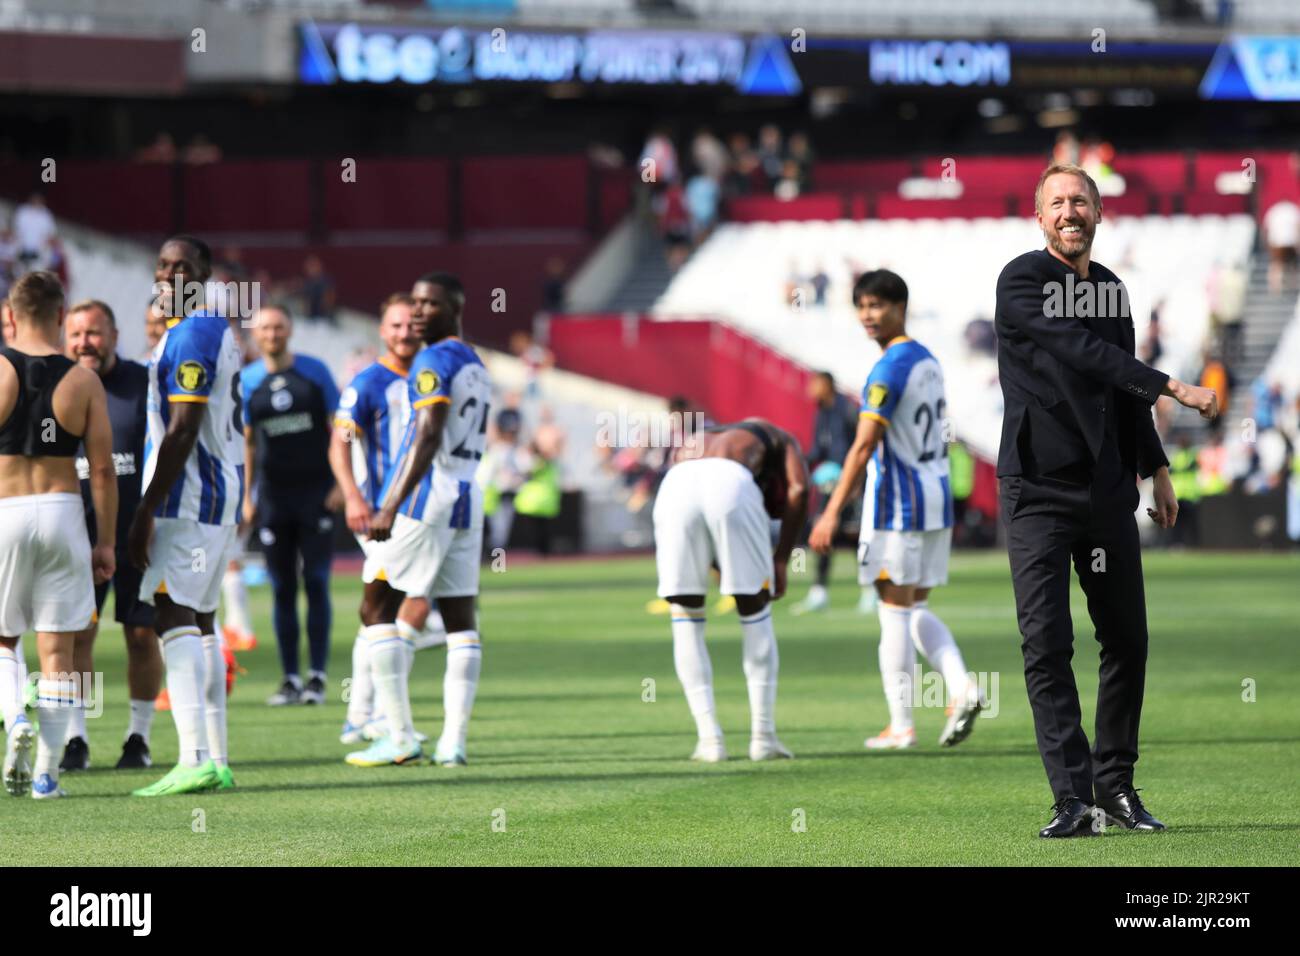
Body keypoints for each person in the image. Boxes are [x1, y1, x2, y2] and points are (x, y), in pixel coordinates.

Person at [994, 164, 1217, 837]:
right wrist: (1172, 385)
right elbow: (1081, 351)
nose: (1070, 210)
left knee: (1127, 640)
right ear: (1040, 217)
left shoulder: (1112, 290)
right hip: (1035, 490)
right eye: (1058, 201)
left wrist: (1157, 467)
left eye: (1081, 201)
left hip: (1105, 490)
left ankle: (1113, 785)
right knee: (1047, 645)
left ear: (1098, 212)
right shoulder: (1022, 280)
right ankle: (1072, 800)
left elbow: (1116, 390)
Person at [810, 271, 984, 751]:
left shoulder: (888, 369)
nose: (868, 315)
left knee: (892, 612)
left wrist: (829, 513)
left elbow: (864, 447)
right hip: (936, 497)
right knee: (915, 606)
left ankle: (901, 725)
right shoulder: (928, 359)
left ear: (900, 306)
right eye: (861, 306)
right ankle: (962, 686)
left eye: (877, 305)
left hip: (898, 505)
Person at [347, 272, 490, 768]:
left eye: (431, 304)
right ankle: (454, 742)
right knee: (459, 621)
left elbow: (427, 434)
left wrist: (390, 503)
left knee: (374, 609)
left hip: (427, 500)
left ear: (455, 305)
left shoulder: (431, 359)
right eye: (416, 304)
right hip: (468, 498)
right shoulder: (476, 361)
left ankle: (400, 734)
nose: (419, 313)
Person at [127, 234, 243, 796]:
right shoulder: (205, 330)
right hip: (215, 499)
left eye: (184, 267)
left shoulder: (195, 331)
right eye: (163, 264)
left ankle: (194, 756)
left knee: (171, 615)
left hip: (191, 500)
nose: (171, 274)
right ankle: (215, 759)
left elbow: (183, 428)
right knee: (199, 621)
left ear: (205, 275)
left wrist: (146, 507)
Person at [0, 272, 116, 799]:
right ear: (60, 312)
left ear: (11, 312)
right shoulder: (84, 381)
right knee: (58, 651)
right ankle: (47, 774)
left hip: (6, 510)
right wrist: (106, 542)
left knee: (3, 638)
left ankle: (12, 720)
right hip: (64, 511)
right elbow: (105, 470)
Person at [652, 417, 808, 762]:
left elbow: (697, 495)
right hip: (732, 483)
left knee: (686, 617)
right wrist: (781, 558)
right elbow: (799, 489)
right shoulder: (780, 435)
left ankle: (710, 741)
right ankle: (763, 737)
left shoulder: (700, 437)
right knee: (755, 610)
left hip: (674, 485)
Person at [329, 292, 446, 745]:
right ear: (382, 331)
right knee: (399, 601)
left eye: (409, 325)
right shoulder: (368, 383)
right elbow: (339, 444)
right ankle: (375, 714)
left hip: (426, 509)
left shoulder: (431, 374)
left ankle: (362, 713)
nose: (403, 332)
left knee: (387, 606)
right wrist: (354, 497)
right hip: (385, 513)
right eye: (394, 325)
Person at [60, 299, 159, 771]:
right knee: (78, 634)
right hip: (75, 533)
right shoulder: (56, 388)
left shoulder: (144, 385)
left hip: (136, 533)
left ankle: (138, 737)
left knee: (141, 634)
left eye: (94, 333)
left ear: (115, 336)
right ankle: (76, 737)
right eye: (76, 334)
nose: (85, 343)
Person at [240, 305, 341, 706]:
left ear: (290, 329)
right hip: (274, 499)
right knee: (282, 588)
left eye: (279, 326)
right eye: (265, 327)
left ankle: (317, 676)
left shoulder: (315, 372)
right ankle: (289, 679)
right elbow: (247, 442)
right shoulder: (248, 381)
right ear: (255, 334)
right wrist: (248, 497)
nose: (272, 333)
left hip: (317, 493)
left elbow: (341, 430)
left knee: (316, 582)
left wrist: (341, 484)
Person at [793, 371, 863, 615]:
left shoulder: (847, 410)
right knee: (822, 534)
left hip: (850, 483)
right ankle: (819, 592)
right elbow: (819, 450)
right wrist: (798, 460)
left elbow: (862, 445)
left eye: (816, 383)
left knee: (856, 536)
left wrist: (856, 482)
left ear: (828, 384)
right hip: (829, 484)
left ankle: (871, 590)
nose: (811, 388)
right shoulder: (821, 412)